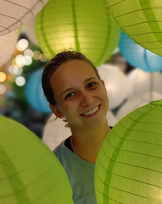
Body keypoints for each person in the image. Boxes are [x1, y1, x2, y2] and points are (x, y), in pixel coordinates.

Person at [42, 50, 111, 204]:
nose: (87, 99)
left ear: (104, 86)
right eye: (70, 95)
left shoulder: (141, 143)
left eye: (91, 85)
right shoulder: (53, 175)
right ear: (57, 110)